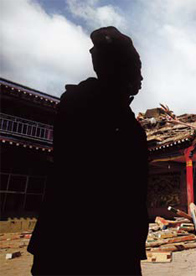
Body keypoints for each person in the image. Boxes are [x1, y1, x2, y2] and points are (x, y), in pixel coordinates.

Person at [28, 26, 149, 275]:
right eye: (136, 69)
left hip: (117, 244)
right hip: (84, 245)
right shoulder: (86, 105)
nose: (141, 78)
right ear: (117, 69)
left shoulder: (119, 115)